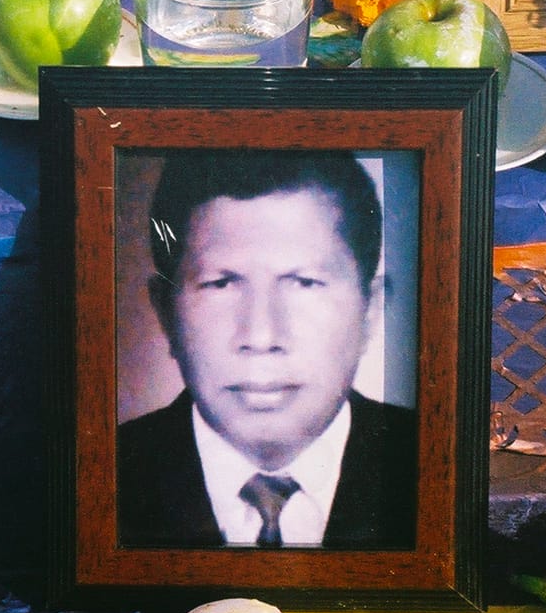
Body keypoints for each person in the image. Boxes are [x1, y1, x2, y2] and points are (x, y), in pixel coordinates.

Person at [117, 150, 418, 550]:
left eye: (305, 282)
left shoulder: (431, 461)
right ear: (166, 313)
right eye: (221, 283)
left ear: (371, 310)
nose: (261, 336)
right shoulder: (101, 473)